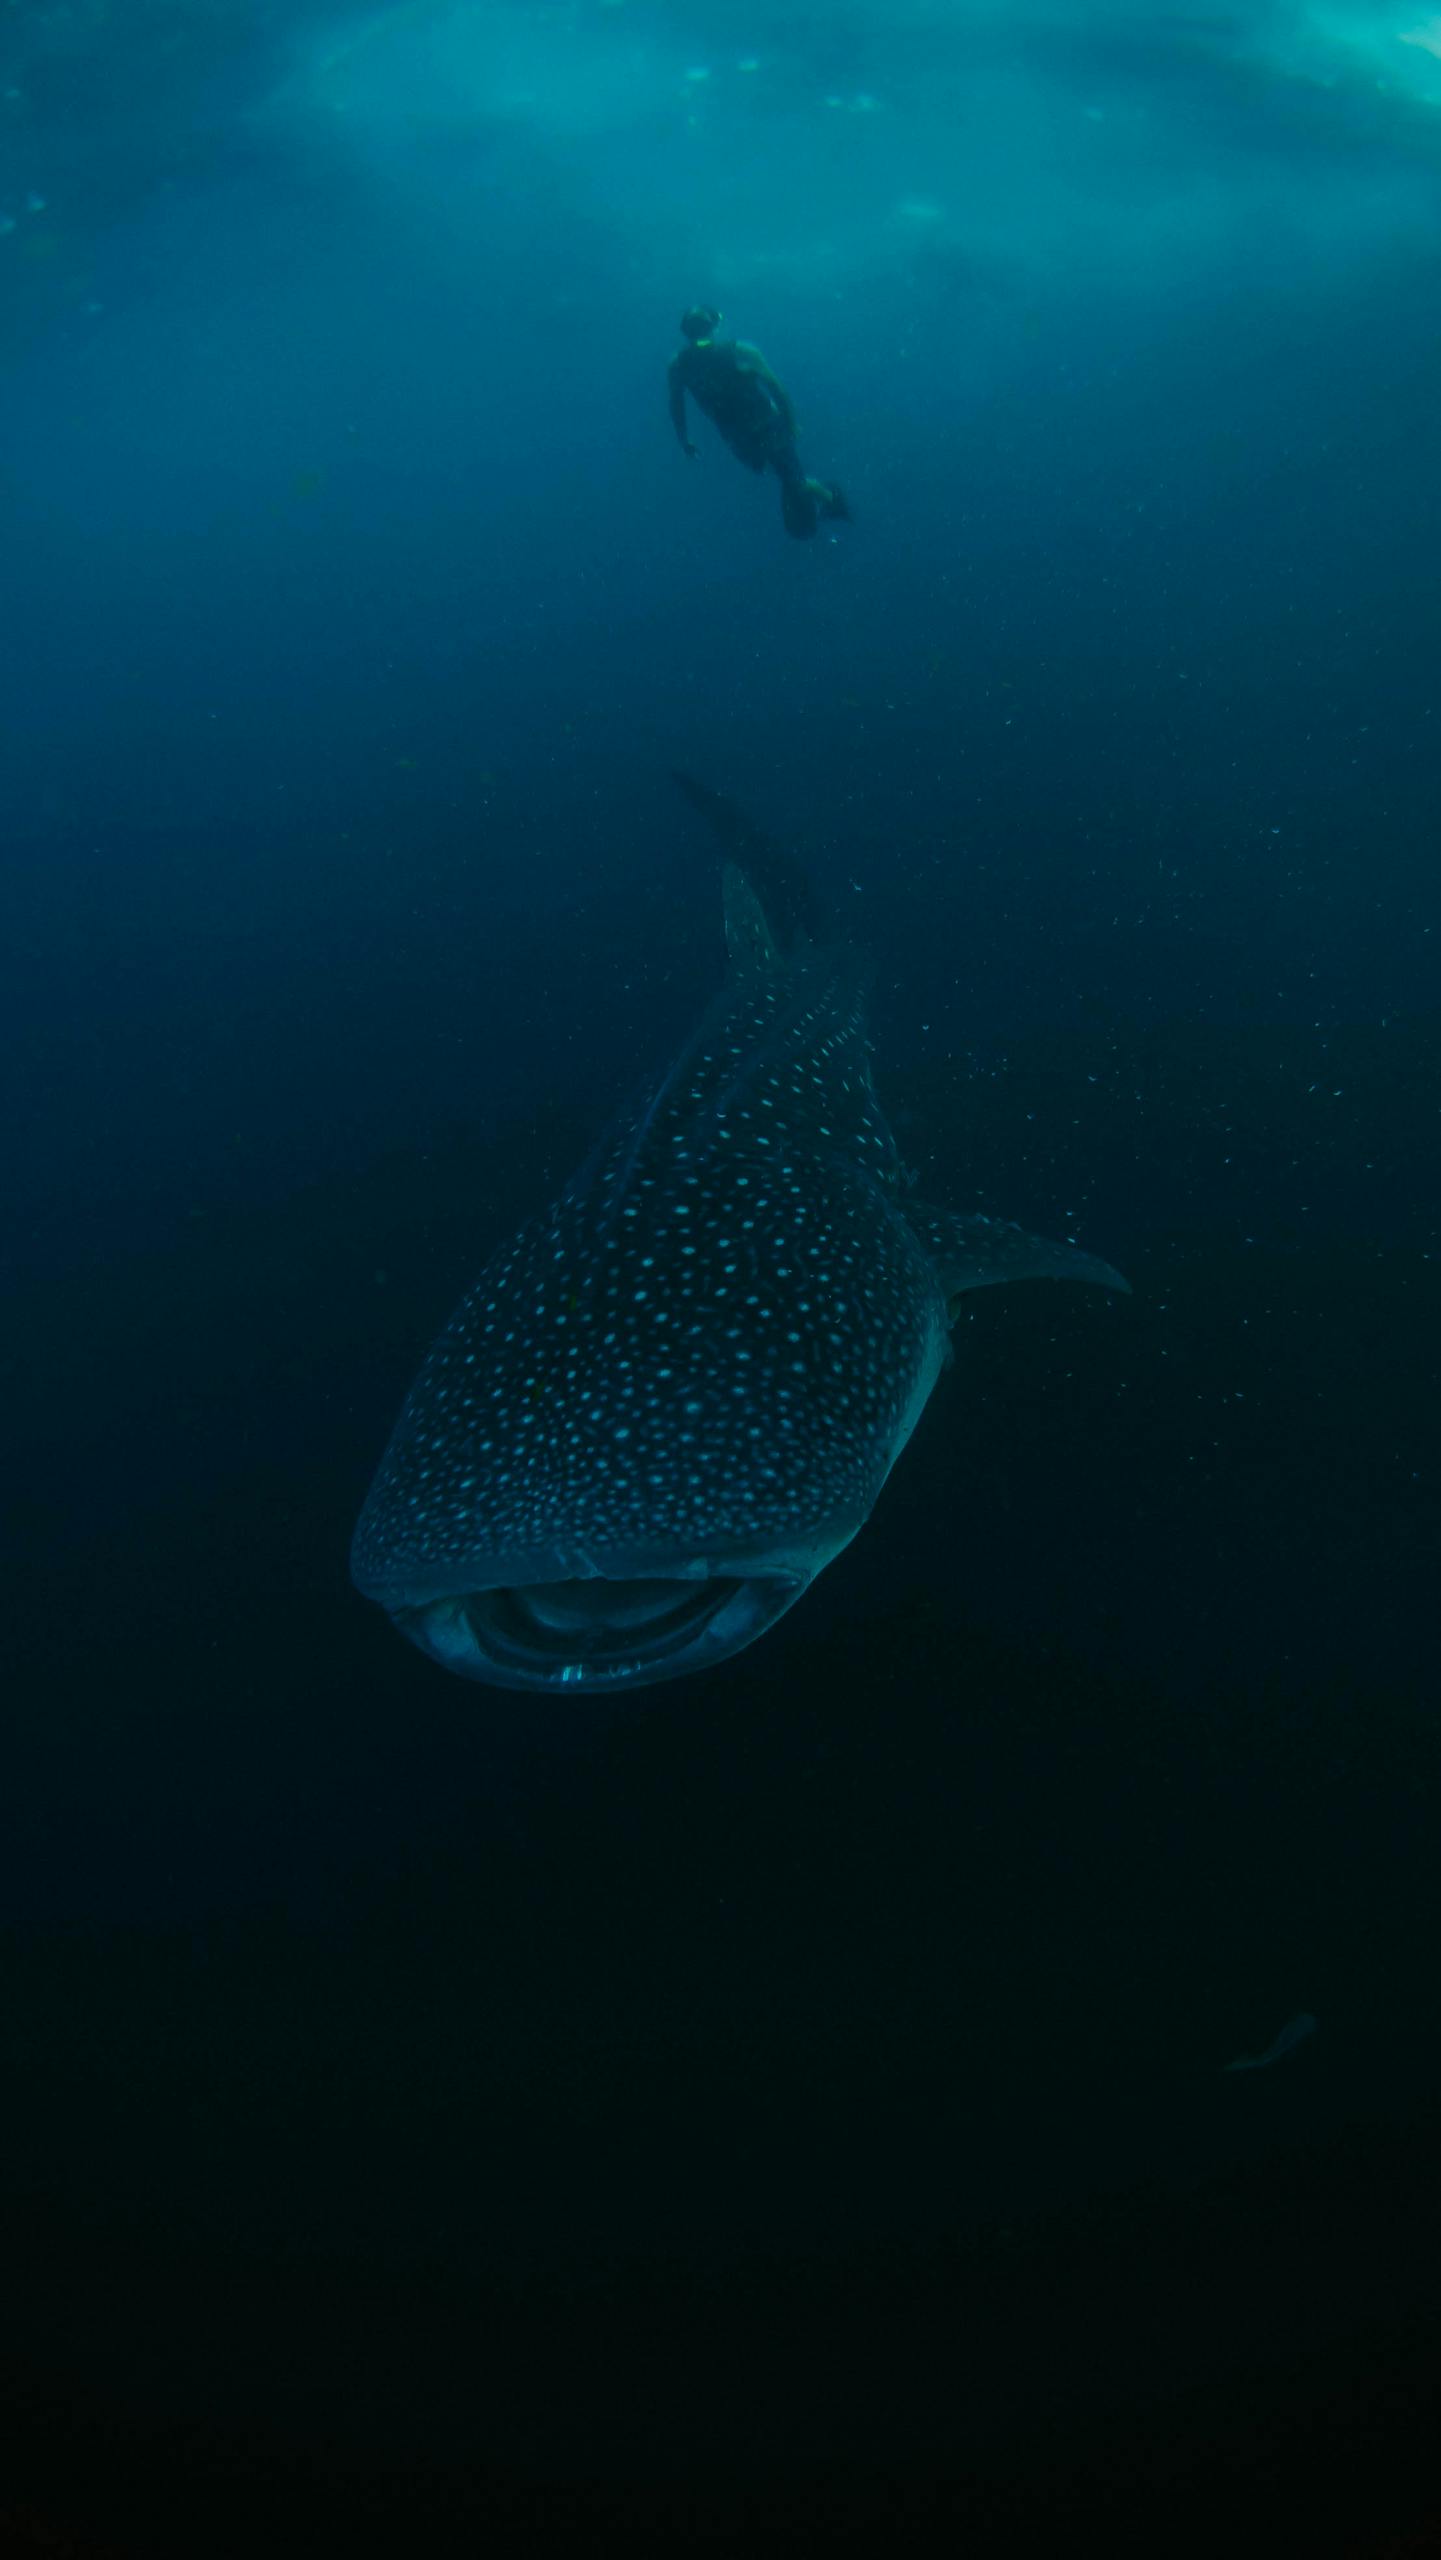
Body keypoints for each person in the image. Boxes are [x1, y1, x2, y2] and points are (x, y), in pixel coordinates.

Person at [668, 305, 850, 542]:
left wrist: (685, 439)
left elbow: (676, 404)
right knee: (783, 476)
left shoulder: (683, 364)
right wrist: (790, 420)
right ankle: (821, 502)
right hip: (748, 431)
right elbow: (776, 387)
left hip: (759, 428)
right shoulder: (734, 352)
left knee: (791, 479)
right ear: (714, 326)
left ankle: (828, 499)